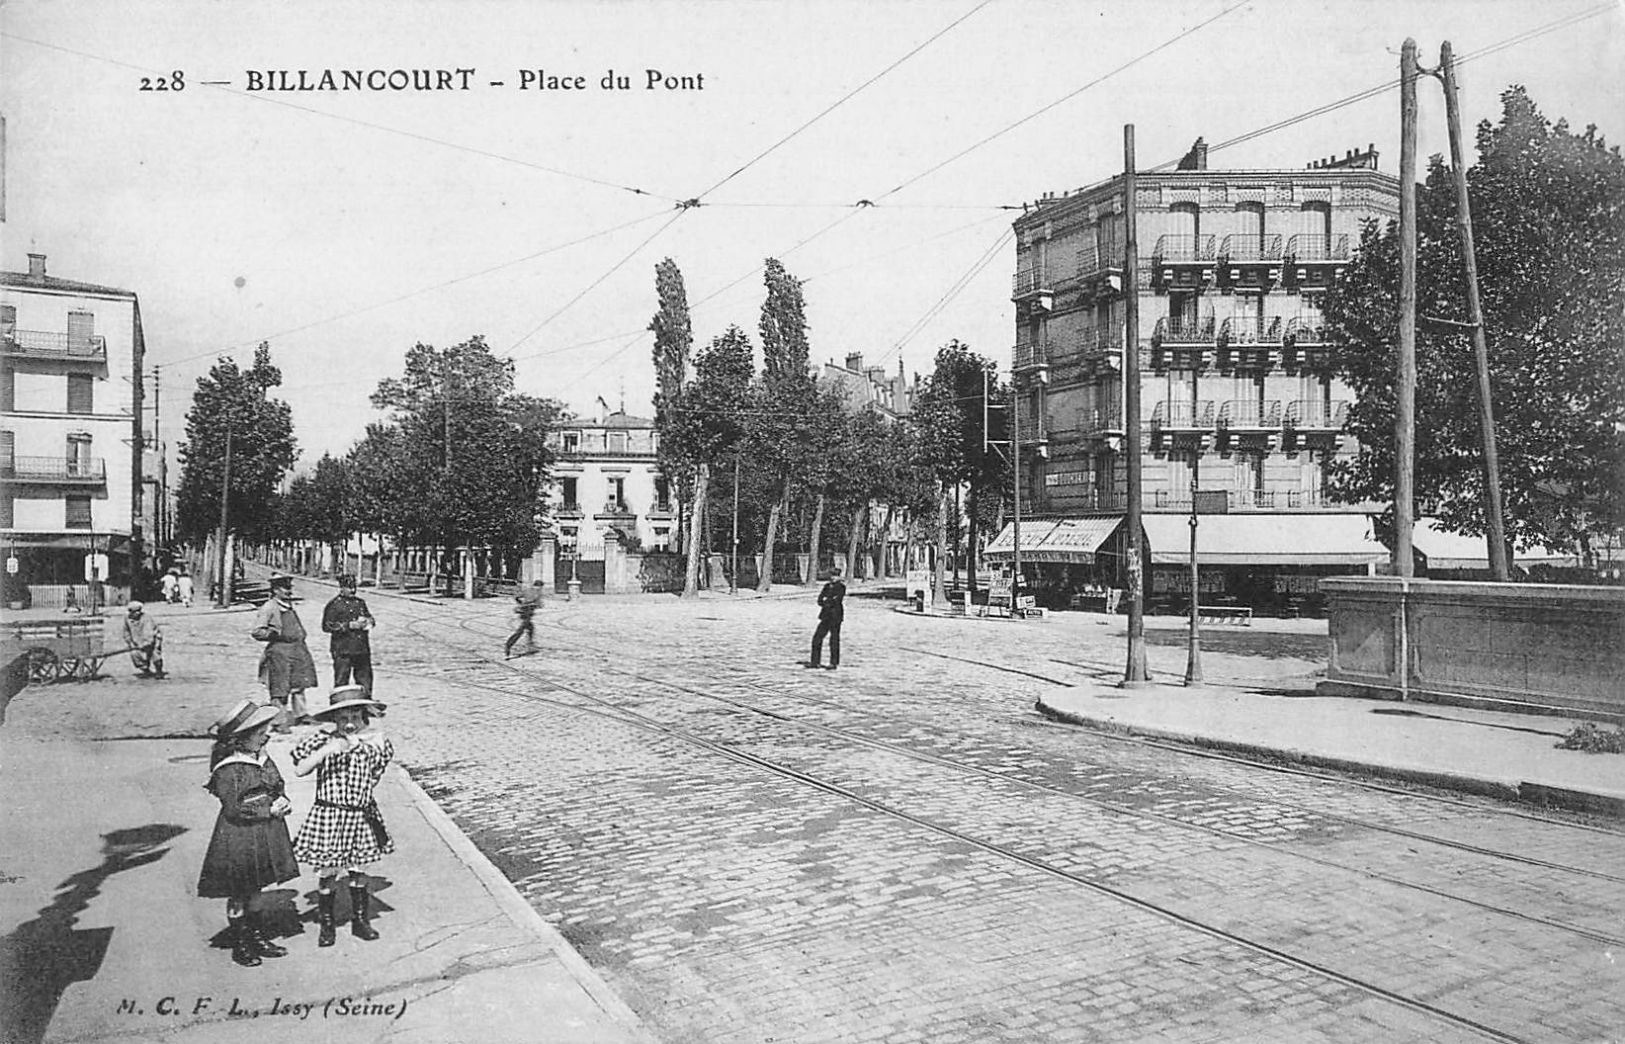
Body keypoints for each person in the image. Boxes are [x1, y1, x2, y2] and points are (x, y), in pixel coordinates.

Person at [197, 699, 298, 967]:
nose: (266, 735)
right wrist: (269, 810)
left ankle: (256, 935)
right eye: (259, 731)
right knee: (239, 890)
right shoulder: (231, 767)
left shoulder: (260, 758)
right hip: (239, 835)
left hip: (263, 833)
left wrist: (282, 799)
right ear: (242, 738)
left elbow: (275, 784)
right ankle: (241, 942)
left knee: (255, 888)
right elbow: (235, 807)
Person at [292, 685, 394, 947]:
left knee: (359, 868)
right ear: (334, 720)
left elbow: (376, 774)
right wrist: (329, 750)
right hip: (330, 814)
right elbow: (301, 769)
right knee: (329, 871)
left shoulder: (375, 744)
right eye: (343, 719)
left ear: (364, 719)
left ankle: (360, 920)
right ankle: (327, 924)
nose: (349, 725)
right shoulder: (323, 741)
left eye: (355, 718)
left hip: (359, 815)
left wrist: (362, 795)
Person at [251, 574, 319, 731]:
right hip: (280, 652)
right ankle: (278, 721)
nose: (289, 591)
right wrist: (273, 635)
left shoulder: (287, 606)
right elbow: (257, 631)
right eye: (285, 588)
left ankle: (301, 714)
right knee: (280, 687)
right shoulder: (269, 607)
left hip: (298, 649)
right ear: (275, 590)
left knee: (299, 683)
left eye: (289, 588)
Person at [321, 574, 376, 696]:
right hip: (343, 649)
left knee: (365, 679)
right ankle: (340, 707)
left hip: (361, 649)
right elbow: (327, 626)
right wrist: (348, 625)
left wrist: (369, 622)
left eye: (354, 587)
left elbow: (370, 618)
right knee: (342, 681)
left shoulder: (360, 603)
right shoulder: (334, 605)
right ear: (341, 588)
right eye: (349, 587)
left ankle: (365, 703)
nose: (352, 590)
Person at [806, 561, 847, 670]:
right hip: (825, 616)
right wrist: (826, 601)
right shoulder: (827, 586)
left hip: (835, 616)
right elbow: (820, 599)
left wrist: (827, 601)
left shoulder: (841, 587)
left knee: (834, 640)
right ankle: (815, 662)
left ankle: (833, 663)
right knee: (817, 638)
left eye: (835, 576)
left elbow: (837, 600)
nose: (833, 578)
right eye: (832, 576)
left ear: (839, 577)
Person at [122, 601, 165, 678]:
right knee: (135, 654)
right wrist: (130, 642)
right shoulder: (127, 618)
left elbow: (148, 633)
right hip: (137, 641)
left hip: (153, 639)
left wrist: (146, 643)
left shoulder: (146, 618)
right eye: (135, 612)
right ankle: (146, 670)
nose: (137, 613)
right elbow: (126, 631)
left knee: (155, 655)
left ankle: (159, 671)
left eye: (139, 611)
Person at [504, 583, 541, 659]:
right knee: (519, 632)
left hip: (524, 613)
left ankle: (530, 645)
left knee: (531, 628)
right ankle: (508, 645)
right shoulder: (536, 593)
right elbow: (539, 604)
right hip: (526, 614)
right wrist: (533, 604)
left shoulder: (527, 590)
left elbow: (516, 597)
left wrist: (521, 603)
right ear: (539, 586)